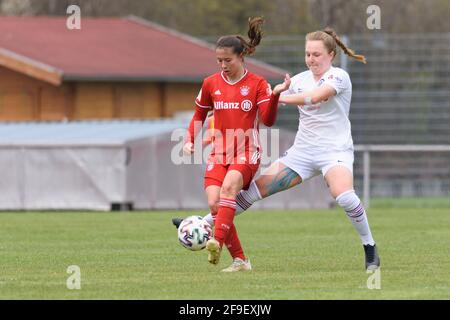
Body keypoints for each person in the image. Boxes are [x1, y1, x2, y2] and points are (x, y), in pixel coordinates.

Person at [174, 27, 380, 272]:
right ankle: (200, 224)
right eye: (308, 54)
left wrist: (275, 95)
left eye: (317, 54)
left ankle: (370, 248)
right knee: (249, 194)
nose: (311, 59)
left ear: (331, 55)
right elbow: (252, 110)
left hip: (334, 152)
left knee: (344, 196)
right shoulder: (299, 80)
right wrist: (213, 128)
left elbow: (315, 97)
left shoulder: (339, 77)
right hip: (301, 154)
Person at [181, 17, 288, 272]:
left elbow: (269, 120)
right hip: (220, 151)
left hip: (247, 151)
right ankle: (240, 261)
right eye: (219, 60)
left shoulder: (258, 84)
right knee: (215, 204)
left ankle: (216, 240)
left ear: (241, 57)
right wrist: (189, 140)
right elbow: (198, 115)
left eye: (227, 60)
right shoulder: (211, 83)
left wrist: (275, 95)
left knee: (229, 189)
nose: (223, 65)